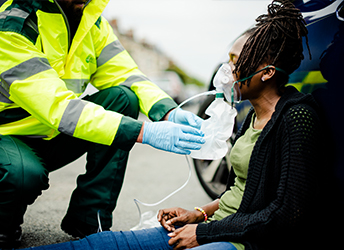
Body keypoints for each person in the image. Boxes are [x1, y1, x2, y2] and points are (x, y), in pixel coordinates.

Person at [19, 0, 326, 249]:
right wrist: (198, 213)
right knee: (105, 243)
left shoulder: (296, 117)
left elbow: (287, 214)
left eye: (235, 61)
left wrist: (202, 233)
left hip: (238, 240)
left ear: (267, 72)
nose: (226, 70)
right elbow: (240, 193)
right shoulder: (251, 118)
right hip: (213, 227)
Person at [0, 0, 206, 248]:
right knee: (22, 173)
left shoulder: (91, 22)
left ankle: (89, 221)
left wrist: (168, 111)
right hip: (8, 137)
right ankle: (3, 225)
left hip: (51, 132)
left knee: (122, 99)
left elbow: (126, 75)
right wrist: (143, 131)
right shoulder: (13, 23)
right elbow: (57, 106)